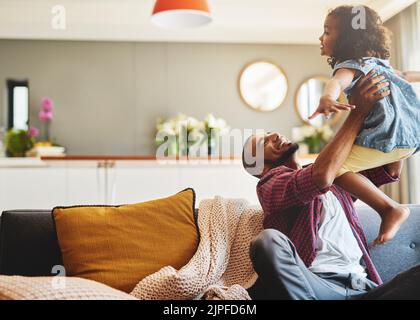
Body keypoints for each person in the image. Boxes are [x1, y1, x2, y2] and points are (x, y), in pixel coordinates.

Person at [242, 71, 420, 300]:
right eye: (264, 142)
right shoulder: (270, 186)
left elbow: (388, 169)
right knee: (266, 242)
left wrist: (393, 106)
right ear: (261, 168)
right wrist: (359, 111)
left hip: (365, 287)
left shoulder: (339, 177)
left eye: (268, 133)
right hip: (318, 286)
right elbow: (320, 176)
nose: (274, 135)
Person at [308, 5, 420, 245]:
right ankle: (388, 177)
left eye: (327, 32)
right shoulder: (381, 64)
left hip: (386, 138)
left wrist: (327, 98)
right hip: (411, 137)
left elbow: (337, 83)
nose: (321, 37)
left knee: (335, 169)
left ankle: (389, 209)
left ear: (348, 39)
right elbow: (407, 75)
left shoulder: (350, 65)